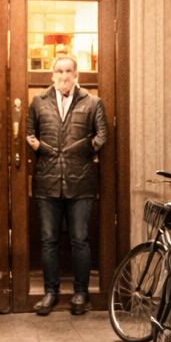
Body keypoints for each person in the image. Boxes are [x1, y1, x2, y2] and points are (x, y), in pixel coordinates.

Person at [26, 54, 107, 316]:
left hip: (80, 182)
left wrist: (84, 149)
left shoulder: (92, 102)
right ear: (52, 75)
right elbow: (29, 133)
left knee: (79, 240)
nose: (64, 76)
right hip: (47, 183)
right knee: (49, 240)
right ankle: (51, 293)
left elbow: (102, 134)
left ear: (76, 75)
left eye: (69, 71)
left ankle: (81, 294)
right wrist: (37, 146)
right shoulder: (38, 102)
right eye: (59, 71)